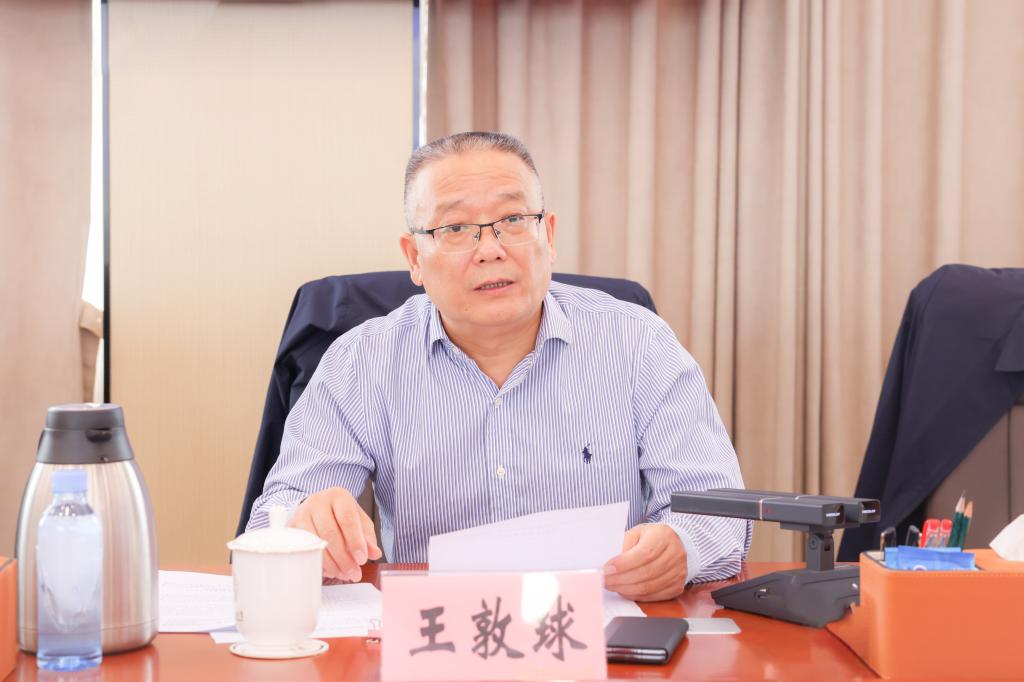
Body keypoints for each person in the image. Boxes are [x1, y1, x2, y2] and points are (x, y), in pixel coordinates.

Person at [248, 131, 751, 601]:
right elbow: (272, 520)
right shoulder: (361, 361)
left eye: (513, 220)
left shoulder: (638, 343)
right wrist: (304, 526)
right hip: (437, 635)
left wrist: (683, 548)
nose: (490, 250)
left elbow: (720, 510)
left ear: (548, 235)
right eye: (455, 228)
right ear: (414, 257)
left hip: (600, 634)